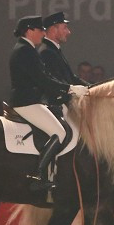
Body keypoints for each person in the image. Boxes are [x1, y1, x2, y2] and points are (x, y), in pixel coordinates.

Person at [9, 15, 87, 191]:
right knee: (59, 132)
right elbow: (43, 80)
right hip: (26, 102)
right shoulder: (24, 51)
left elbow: (47, 78)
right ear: (29, 31)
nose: (43, 34)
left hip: (31, 101)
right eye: (40, 30)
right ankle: (38, 175)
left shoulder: (27, 49)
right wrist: (70, 89)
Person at [39, 12, 89, 88]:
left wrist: (91, 87)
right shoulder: (47, 52)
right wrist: (73, 90)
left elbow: (71, 77)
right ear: (54, 29)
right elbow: (56, 81)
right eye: (65, 27)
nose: (68, 32)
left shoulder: (53, 50)